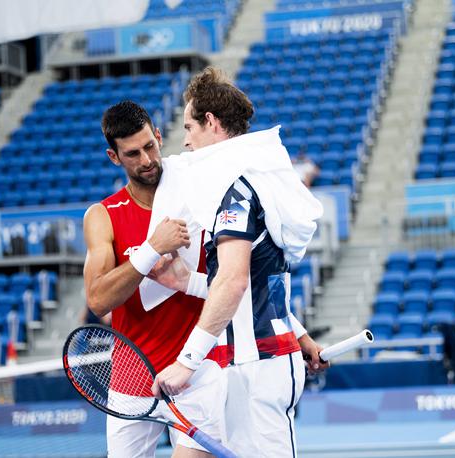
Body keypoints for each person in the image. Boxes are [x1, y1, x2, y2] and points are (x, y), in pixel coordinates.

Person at [151, 67, 328, 457]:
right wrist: (188, 282)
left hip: (256, 367)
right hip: (234, 366)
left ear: (211, 123)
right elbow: (253, 280)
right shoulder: (250, 181)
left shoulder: (237, 192)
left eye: (189, 127)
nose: (185, 140)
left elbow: (233, 283)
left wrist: (185, 362)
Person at [82, 100, 226, 458]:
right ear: (114, 158)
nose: (146, 160)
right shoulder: (102, 216)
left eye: (150, 146)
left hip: (196, 369)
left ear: (159, 136)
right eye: (132, 154)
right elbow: (98, 300)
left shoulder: (200, 193)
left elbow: (239, 280)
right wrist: (150, 249)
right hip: (132, 377)